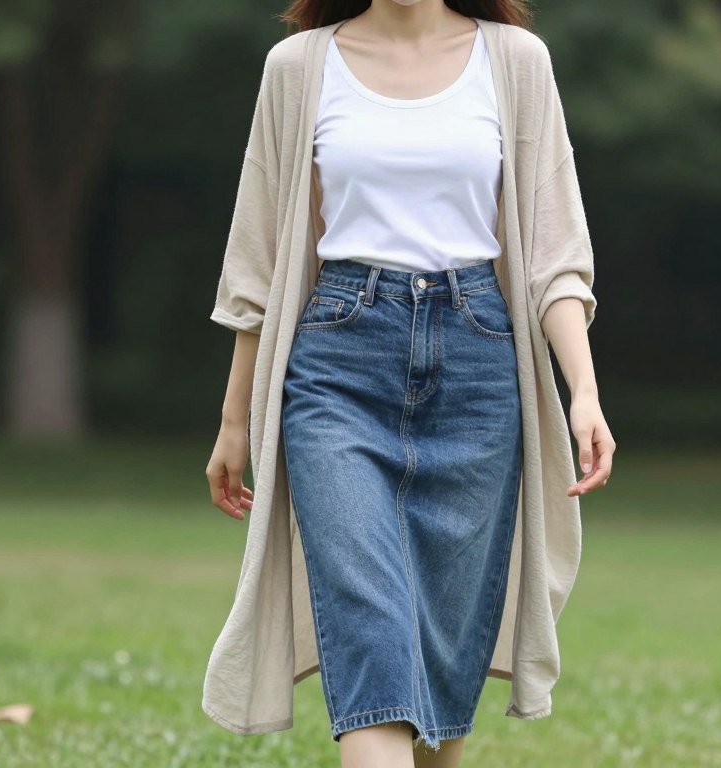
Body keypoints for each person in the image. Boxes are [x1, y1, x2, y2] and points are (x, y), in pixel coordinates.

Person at [205, 2, 617, 766]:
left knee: (443, 650)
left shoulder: (515, 61)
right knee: (368, 626)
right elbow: (256, 262)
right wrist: (235, 421)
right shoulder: (297, 67)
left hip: (478, 367)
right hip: (338, 365)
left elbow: (553, 254)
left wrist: (582, 391)